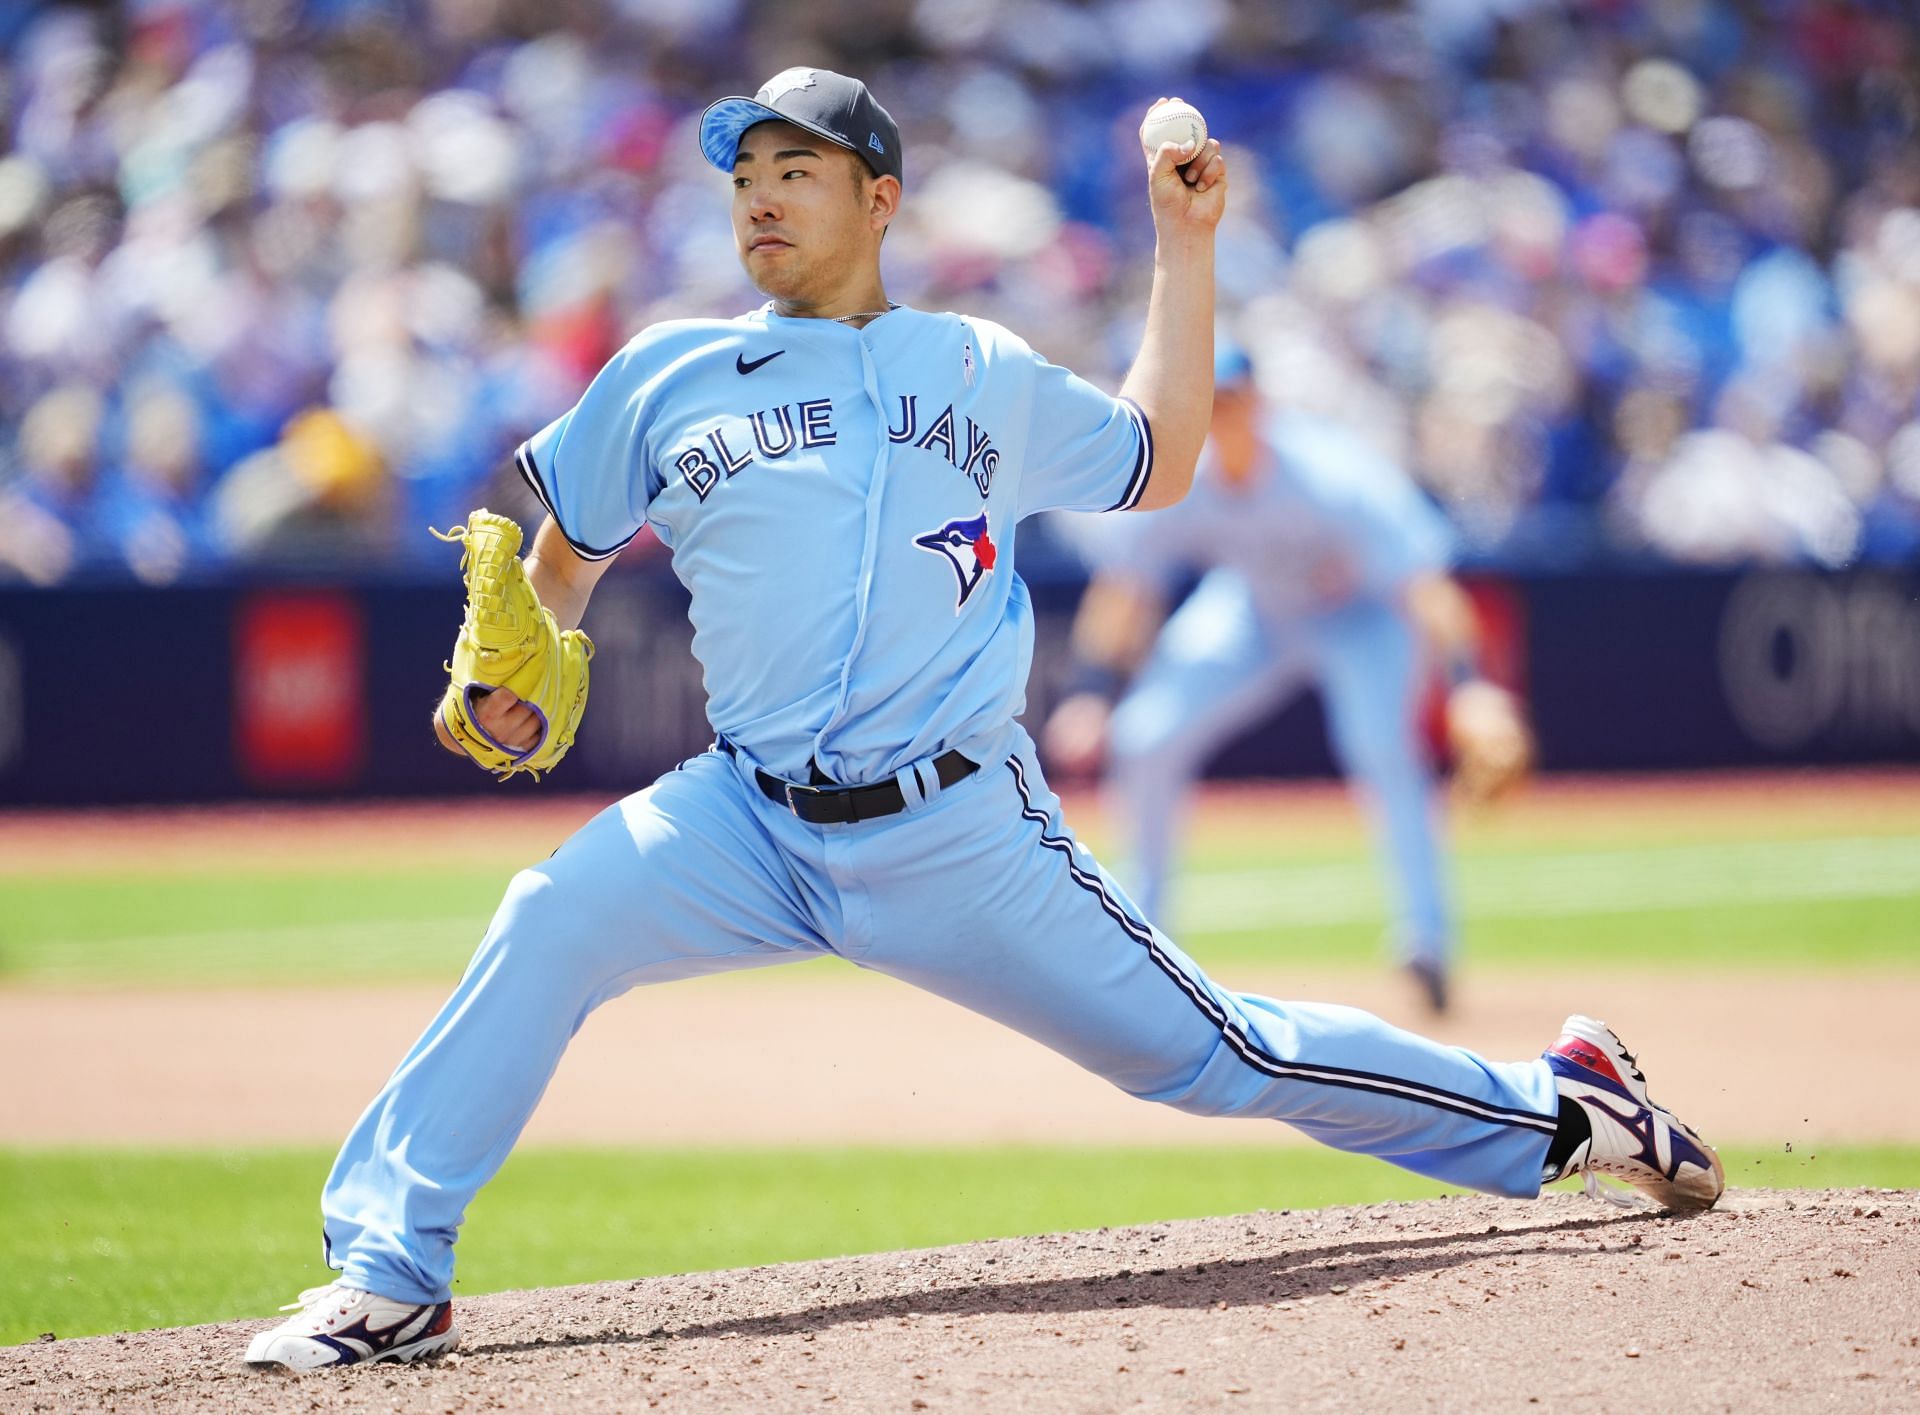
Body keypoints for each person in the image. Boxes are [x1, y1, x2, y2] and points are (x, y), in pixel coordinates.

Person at [244, 69, 1721, 1372]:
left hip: (959, 829)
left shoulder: (978, 368)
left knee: (1220, 1053)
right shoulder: (662, 371)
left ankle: (1557, 1104)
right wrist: (522, 661)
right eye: (744, 175)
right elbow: (556, 566)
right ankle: (391, 1270)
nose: (757, 198)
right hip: (743, 817)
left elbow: (1158, 457)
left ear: (879, 199)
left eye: (796, 171)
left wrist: (1182, 248)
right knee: (549, 914)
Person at [1042, 345, 1535, 1013]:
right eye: (1207, 401)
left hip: (1359, 618)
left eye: (1231, 399)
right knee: (1144, 736)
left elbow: (1425, 588)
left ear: (1259, 402)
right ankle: (1146, 940)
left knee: (1384, 751)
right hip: (1255, 609)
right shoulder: (1181, 473)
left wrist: (1472, 684)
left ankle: (1428, 941)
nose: (1219, 414)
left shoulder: (1330, 472)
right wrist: (1091, 693)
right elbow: (1127, 590)